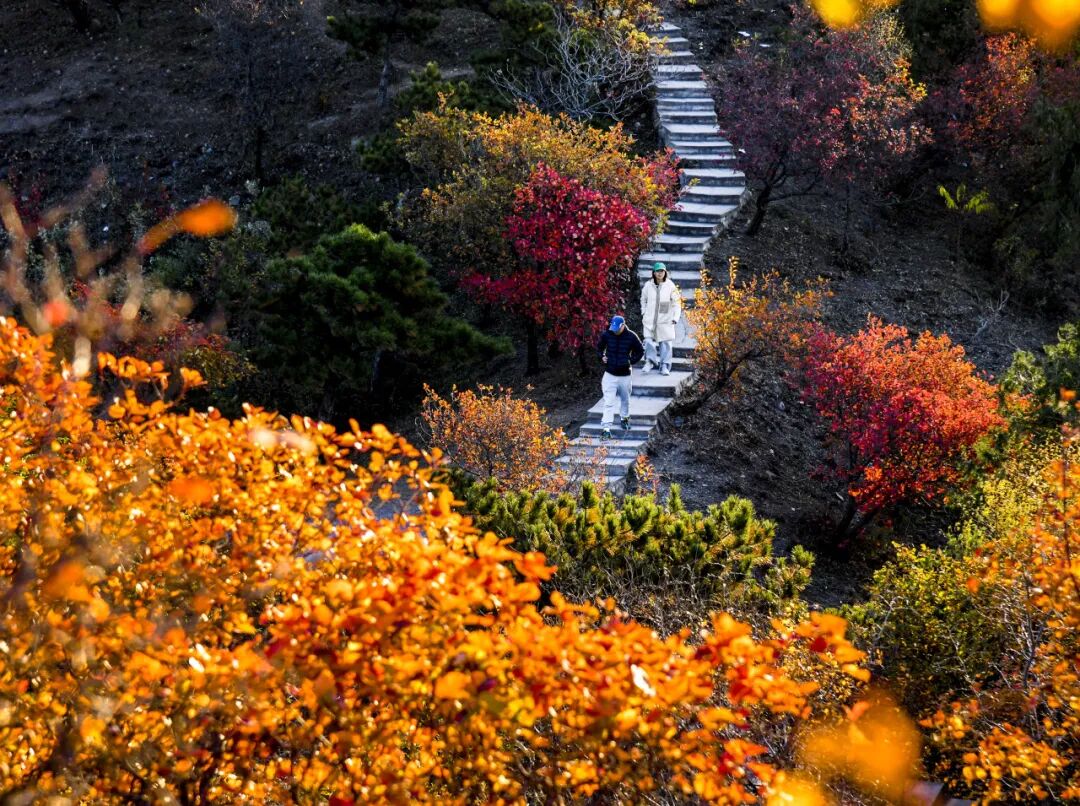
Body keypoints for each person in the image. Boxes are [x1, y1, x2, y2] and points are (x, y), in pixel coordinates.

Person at [596, 314, 644, 439]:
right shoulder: (607, 334)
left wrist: (631, 361)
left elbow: (640, 351)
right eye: (613, 327)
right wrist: (601, 356)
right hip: (610, 373)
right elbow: (599, 348)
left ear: (623, 325)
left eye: (617, 328)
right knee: (608, 402)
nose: (615, 330)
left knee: (625, 399)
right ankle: (606, 428)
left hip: (625, 375)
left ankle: (624, 418)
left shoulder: (631, 336)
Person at [640, 262, 682, 376]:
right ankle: (650, 361)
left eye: (662, 271)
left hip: (665, 320)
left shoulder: (670, 286)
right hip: (649, 320)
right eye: (658, 271)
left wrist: (675, 317)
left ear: (665, 272)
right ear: (654, 272)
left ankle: (664, 366)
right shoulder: (648, 285)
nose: (660, 273)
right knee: (648, 341)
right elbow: (643, 299)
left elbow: (677, 303)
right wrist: (643, 312)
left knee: (666, 343)